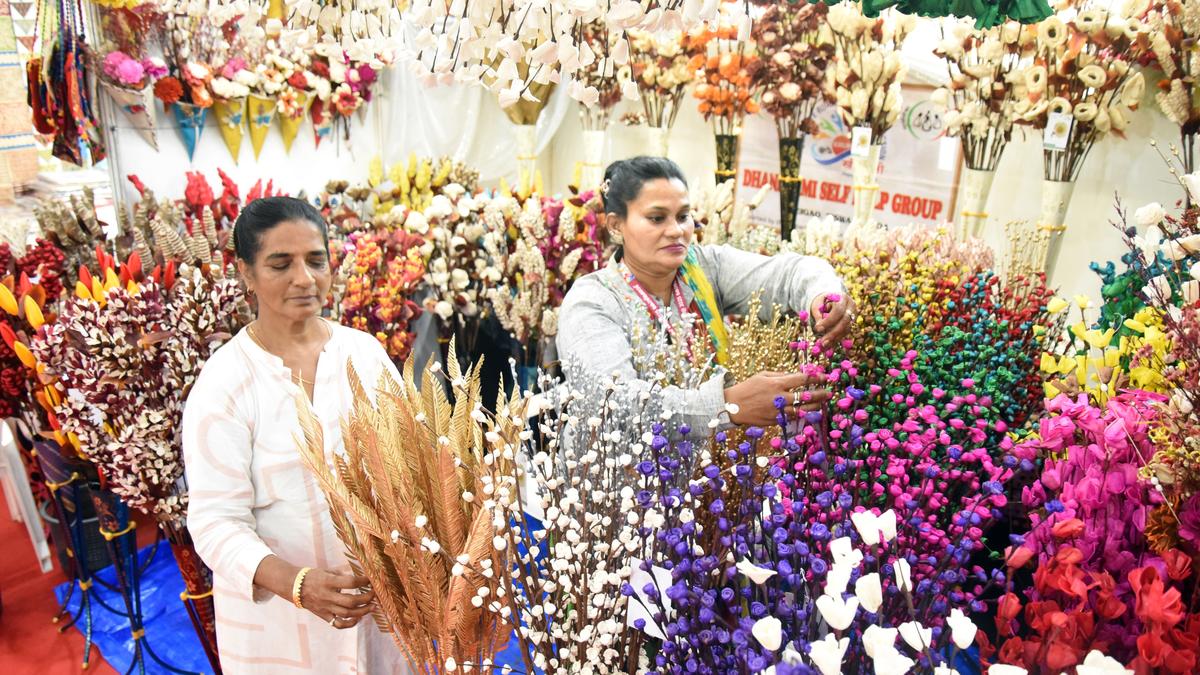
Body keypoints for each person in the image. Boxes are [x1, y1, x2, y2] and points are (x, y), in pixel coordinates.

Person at [182, 197, 407, 674]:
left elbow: (411, 458)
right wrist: (297, 583)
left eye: (316, 260)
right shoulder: (226, 384)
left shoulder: (363, 354)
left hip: (378, 604)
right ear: (245, 273)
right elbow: (214, 522)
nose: (304, 279)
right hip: (281, 627)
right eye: (280, 264)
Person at [556, 157, 853, 432]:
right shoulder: (592, 302)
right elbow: (614, 405)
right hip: (627, 481)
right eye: (657, 218)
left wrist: (822, 295)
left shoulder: (702, 267)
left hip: (712, 473)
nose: (676, 231)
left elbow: (790, 273)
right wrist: (725, 406)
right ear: (615, 224)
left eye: (683, 216)